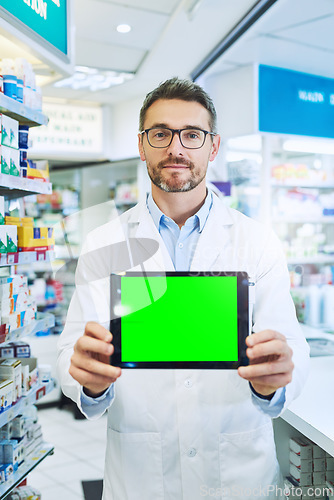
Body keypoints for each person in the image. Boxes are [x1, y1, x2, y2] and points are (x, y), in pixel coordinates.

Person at [57, 77, 310, 500]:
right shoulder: (103, 244)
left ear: (213, 147)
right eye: (161, 133)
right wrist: (88, 380)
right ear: (142, 145)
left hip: (238, 472)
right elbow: (71, 354)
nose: (176, 148)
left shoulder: (256, 241)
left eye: (192, 134)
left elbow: (291, 348)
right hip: (141, 475)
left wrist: (275, 380)